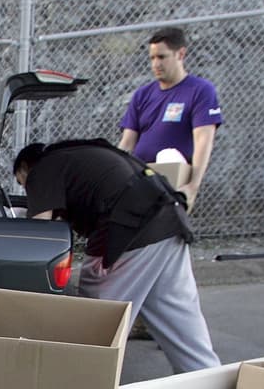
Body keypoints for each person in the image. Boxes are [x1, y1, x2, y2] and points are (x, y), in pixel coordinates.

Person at [13, 139, 220, 374]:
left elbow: (40, 229)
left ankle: (82, 385)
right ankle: (208, 380)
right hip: (169, 219)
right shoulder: (80, 154)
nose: (27, 190)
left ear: (24, 169)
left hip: (131, 231)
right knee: (179, 318)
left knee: (98, 315)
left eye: (23, 184)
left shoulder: (42, 169)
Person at [117, 27, 222, 213]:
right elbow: (127, 143)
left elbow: (203, 140)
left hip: (172, 182)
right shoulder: (142, 95)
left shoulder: (199, 91)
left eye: (162, 57)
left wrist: (192, 186)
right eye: (152, 58)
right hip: (141, 180)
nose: (156, 64)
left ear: (180, 54)